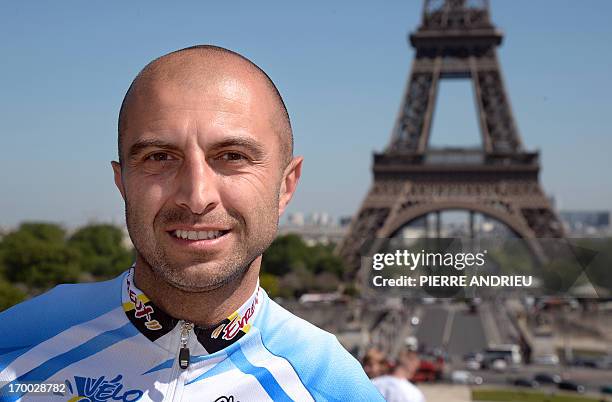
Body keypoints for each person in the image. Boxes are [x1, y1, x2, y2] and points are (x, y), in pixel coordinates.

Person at [0, 45, 384, 401]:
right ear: (123, 183)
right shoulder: (13, 348)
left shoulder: (335, 387)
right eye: (159, 157)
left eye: (232, 155)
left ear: (286, 185)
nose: (197, 196)